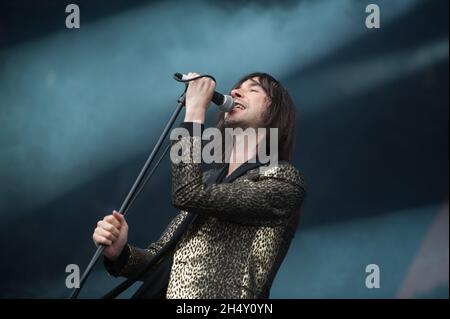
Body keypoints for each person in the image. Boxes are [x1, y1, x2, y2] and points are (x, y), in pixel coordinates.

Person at [93, 72, 306, 298]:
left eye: (253, 89)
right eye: (237, 88)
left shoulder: (283, 179)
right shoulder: (208, 180)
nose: (235, 92)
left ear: (275, 112)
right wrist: (120, 254)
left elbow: (187, 194)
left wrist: (194, 113)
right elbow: (168, 265)